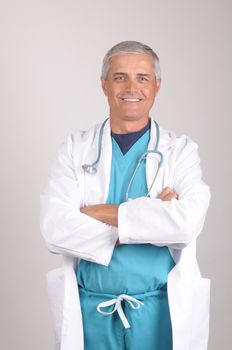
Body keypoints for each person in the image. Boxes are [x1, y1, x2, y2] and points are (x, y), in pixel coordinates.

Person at [40, 41, 211, 350]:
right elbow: (55, 230)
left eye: (142, 78)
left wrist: (96, 212)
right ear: (104, 84)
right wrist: (151, 217)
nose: (132, 87)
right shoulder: (74, 149)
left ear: (157, 86)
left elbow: (186, 225)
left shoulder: (181, 151)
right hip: (90, 313)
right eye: (120, 77)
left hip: (158, 314)